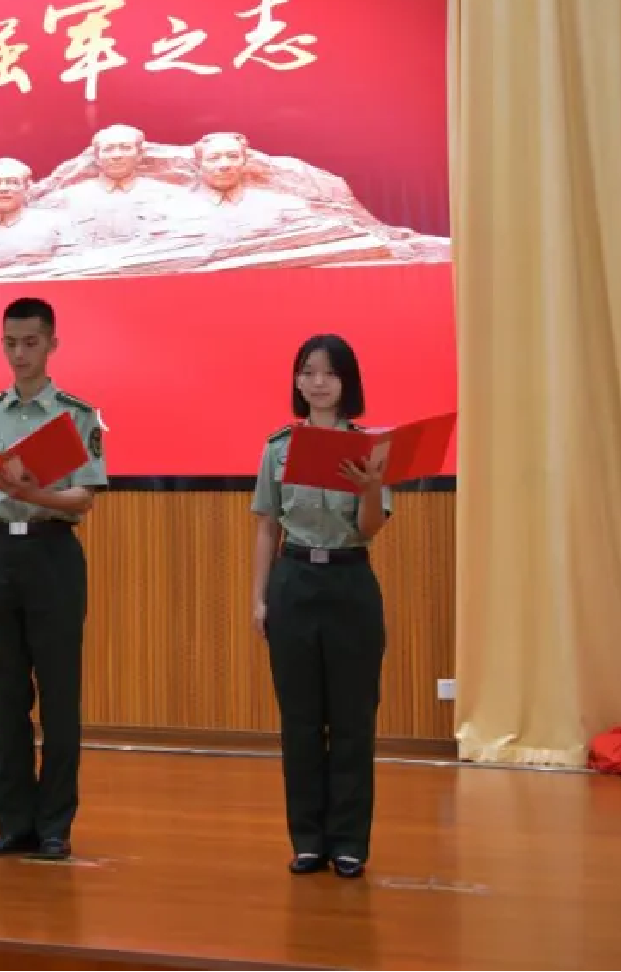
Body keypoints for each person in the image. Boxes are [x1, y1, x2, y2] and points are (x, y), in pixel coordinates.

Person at [0, 297, 107, 860]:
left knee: (59, 694)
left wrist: (34, 493)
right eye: (11, 344)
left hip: (53, 552)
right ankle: (13, 819)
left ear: (51, 344)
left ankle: (55, 824)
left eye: (31, 343)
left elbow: (83, 497)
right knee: (5, 693)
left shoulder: (76, 416)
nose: (19, 354)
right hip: (0, 553)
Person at [250, 333, 392, 879]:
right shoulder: (278, 448)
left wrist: (371, 487)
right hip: (294, 580)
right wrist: (259, 597)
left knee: (353, 719)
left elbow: (371, 528)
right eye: (308, 371)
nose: (317, 382)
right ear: (297, 381)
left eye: (329, 373)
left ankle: (350, 842)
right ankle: (307, 840)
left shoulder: (370, 448)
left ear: (346, 382)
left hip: (350, 581)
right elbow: (267, 526)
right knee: (301, 720)